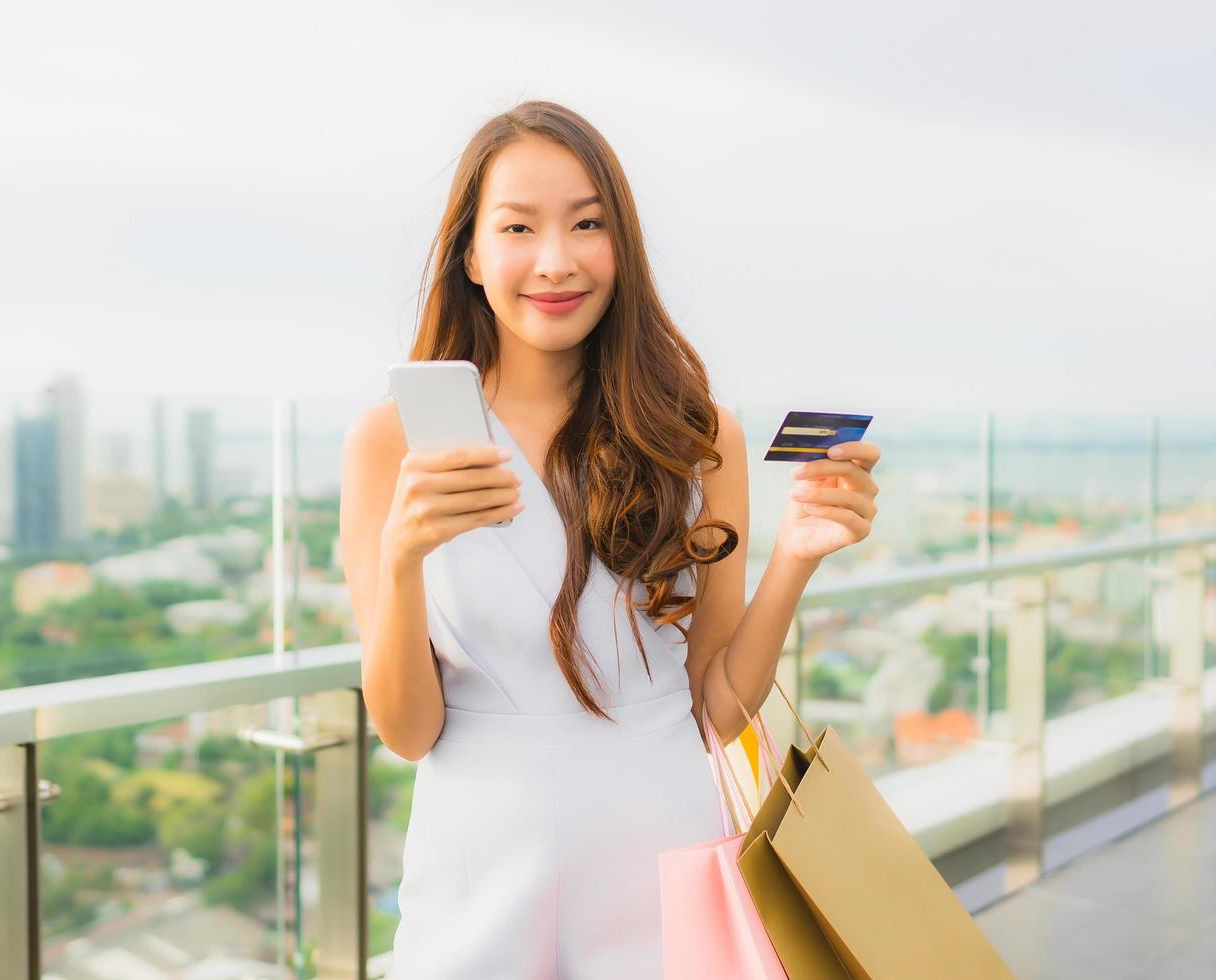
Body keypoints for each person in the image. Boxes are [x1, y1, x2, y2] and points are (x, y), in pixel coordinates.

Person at [339, 100, 882, 979]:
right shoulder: (390, 443)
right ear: (471, 254)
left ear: (621, 247)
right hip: (476, 867)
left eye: (588, 224)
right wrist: (402, 559)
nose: (556, 259)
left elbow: (716, 708)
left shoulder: (697, 436)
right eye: (518, 226)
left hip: (663, 856)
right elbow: (407, 733)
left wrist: (796, 556)